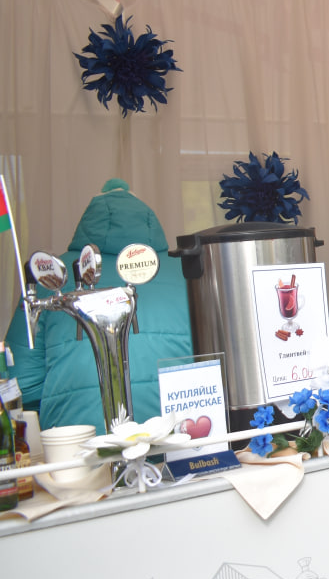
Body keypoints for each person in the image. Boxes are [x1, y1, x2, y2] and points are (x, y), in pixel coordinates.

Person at [3, 179, 192, 433]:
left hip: (78, 442)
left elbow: (23, 384)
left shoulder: (51, 277)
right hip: (180, 432)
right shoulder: (185, 272)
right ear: (150, 222)